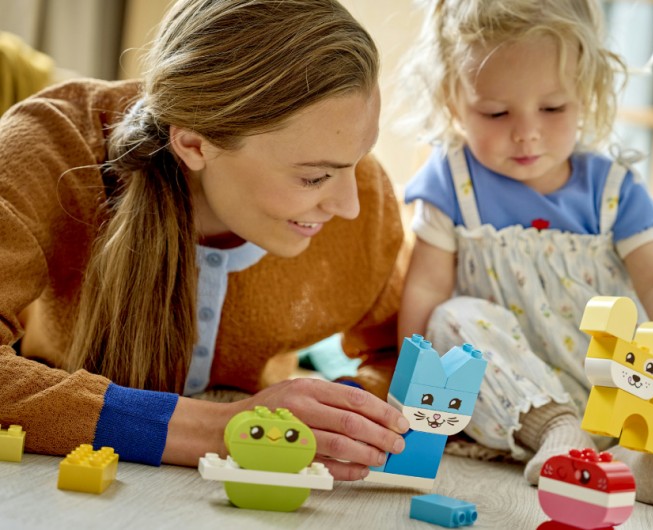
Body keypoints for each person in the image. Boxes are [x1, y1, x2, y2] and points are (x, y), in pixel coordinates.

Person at [0, 0, 411, 480]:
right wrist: (224, 429)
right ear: (194, 145)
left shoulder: (365, 201)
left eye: (358, 159)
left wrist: (340, 412)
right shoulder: (45, 147)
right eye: (315, 177)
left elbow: (397, 356)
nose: (350, 205)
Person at [396, 0, 653, 506]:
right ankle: (558, 435)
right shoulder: (452, 180)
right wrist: (410, 390)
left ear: (587, 93)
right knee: (453, 320)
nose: (526, 131)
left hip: (627, 383)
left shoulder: (611, 188)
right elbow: (424, 288)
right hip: (518, 389)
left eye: (553, 108)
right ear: (452, 101)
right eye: (495, 112)